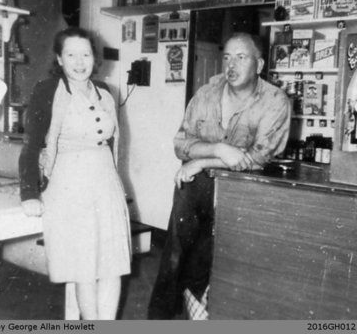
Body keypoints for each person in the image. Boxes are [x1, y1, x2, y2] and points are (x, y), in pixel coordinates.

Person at [148, 31, 291, 320]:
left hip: (243, 191)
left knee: (218, 261)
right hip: (196, 187)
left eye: (241, 57)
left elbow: (258, 158)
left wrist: (202, 162)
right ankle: (158, 319)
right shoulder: (205, 94)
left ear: (260, 65)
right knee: (175, 254)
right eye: (227, 57)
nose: (231, 65)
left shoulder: (275, 101)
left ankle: (203, 313)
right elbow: (181, 144)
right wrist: (219, 149)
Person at [19, 27, 131, 320]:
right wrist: (29, 193)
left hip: (105, 183)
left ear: (95, 59)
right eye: (71, 54)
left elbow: (113, 143)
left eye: (86, 54)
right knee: (84, 268)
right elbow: (31, 146)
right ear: (59, 58)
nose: (79, 62)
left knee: (112, 265)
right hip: (69, 186)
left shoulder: (106, 93)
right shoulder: (46, 90)